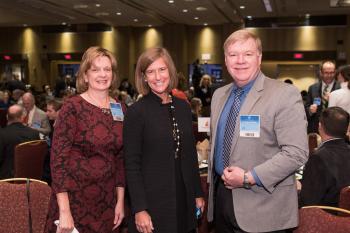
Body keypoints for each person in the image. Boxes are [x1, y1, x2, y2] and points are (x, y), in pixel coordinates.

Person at [207, 29, 309, 233]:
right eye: (233, 55)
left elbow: (297, 153)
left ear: (259, 57)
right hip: (222, 201)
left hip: (264, 206)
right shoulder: (219, 95)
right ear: (226, 60)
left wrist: (248, 177)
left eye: (248, 54)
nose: (240, 60)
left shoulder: (284, 94)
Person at [124, 47, 204, 233]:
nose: (157, 77)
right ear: (143, 77)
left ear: (170, 71)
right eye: (150, 72)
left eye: (162, 69)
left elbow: (190, 155)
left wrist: (197, 193)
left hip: (183, 195)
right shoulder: (137, 112)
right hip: (153, 200)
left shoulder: (183, 107)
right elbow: (131, 165)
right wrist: (140, 208)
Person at [45, 46, 125, 233]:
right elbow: (58, 162)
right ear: (85, 75)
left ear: (113, 75)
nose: (102, 74)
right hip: (74, 201)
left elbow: (121, 159)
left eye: (107, 69)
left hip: (107, 202)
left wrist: (120, 201)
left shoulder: (120, 109)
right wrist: (64, 210)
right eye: (95, 69)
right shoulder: (72, 108)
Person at [299, 107, 350, 207]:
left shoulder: (318, 158)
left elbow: (308, 201)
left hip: (327, 216)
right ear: (347, 129)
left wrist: (298, 188)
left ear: (320, 126)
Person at [0, 104, 40, 179]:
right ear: (23, 117)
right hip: (29, 178)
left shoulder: (2, 134)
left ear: (7, 117)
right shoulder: (34, 134)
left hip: (6, 179)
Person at [305, 60, 340, 133]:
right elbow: (306, 108)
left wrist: (332, 100)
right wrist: (310, 110)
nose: (329, 75)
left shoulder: (340, 88)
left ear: (335, 72)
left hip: (335, 129)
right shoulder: (312, 88)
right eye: (326, 73)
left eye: (332, 73)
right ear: (321, 73)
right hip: (315, 129)